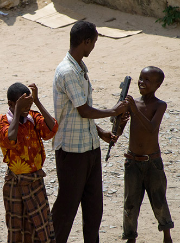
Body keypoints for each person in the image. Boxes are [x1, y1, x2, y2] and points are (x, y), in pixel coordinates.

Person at [51, 20, 128, 243]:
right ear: (85, 42)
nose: (94, 46)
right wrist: (113, 110)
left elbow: (74, 113)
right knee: (66, 210)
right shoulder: (67, 71)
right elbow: (83, 110)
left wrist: (100, 132)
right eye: (93, 42)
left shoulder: (80, 67)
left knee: (94, 210)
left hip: (90, 148)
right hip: (72, 153)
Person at [0, 82, 58, 243]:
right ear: (10, 104)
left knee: (41, 229)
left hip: (35, 181)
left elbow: (51, 129)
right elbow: (10, 138)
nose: (26, 109)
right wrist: (17, 112)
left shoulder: (33, 117)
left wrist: (36, 102)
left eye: (28, 105)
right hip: (15, 183)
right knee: (17, 229)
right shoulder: (3, 121)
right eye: (21, 105)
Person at [117, 66, 174, 243]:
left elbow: (151, 128)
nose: (142, 82)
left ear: (158, 85)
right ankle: (130, 237)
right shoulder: (134, 104)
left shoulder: (159, 105)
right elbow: (119, 129)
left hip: (153, 163)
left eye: (147, 80)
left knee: (159, 201)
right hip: (132, 161)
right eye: (141, 78)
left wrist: (134, 109)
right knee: (130, 204)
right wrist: (120, 119)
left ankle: (166, 235)